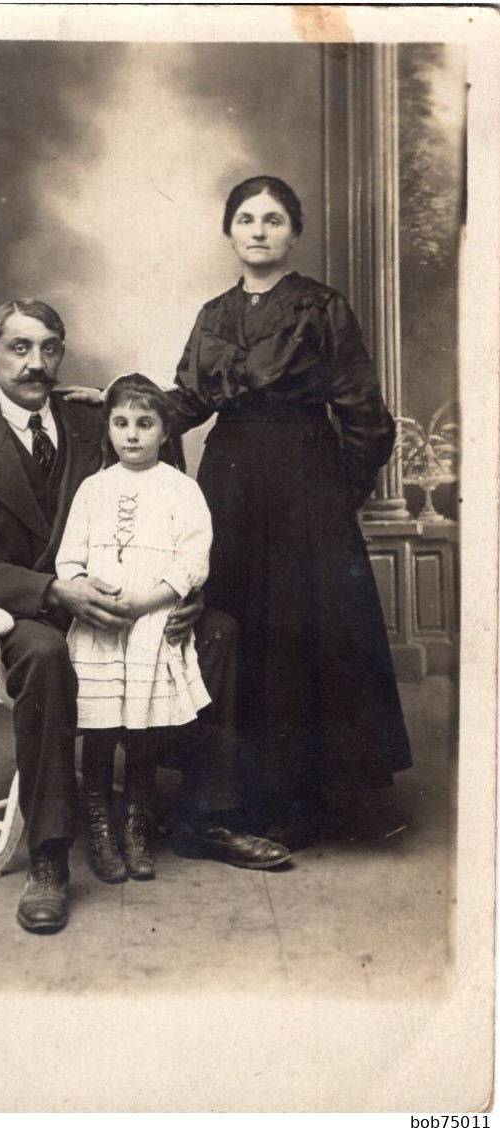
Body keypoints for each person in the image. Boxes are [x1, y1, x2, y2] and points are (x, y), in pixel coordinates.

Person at [0, 298, 290, 936]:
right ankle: (48, 858)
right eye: (18, 348)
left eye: (48, 349)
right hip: (11, 618)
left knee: (219, 631)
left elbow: (159, 503)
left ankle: (202, 815)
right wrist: (52, 592)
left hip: (119, 604)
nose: (36, 364)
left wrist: (181, 592)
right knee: (45, 652)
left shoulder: (95, 417)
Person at [169, 175, 413, 848]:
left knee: (299, 634)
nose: (257, 230)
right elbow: (184, 401)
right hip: (228, 483)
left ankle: (300, 797)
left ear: (293, 232)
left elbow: (367, 417)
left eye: (272, 219)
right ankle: (230, 791)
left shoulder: (322, 307)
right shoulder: (214, 315)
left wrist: (335, 496)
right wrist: (110, 404)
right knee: (235, 625)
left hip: (305, 486)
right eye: (245, 218)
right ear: (229, 232)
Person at [56, 374, 289, 884]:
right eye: (121, 423)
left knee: (143, 728)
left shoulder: (182, 490)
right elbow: (68, 560)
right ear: (108, 429)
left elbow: (192, 561)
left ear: (165, 431)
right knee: (98, 727)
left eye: (145, 424)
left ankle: (138, 825)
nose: (132, 435)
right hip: (99, 624)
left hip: (153, 623)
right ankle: (101, 828)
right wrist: (90, 593)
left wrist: (148, 602)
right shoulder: (93, 489)